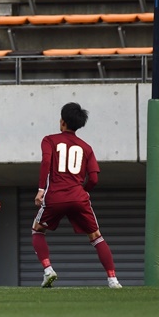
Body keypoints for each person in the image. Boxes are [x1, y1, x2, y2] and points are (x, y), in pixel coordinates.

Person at [30, 102, 122, 289]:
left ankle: (48, 270)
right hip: (78, 197)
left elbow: (46, 162)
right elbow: (94, 178)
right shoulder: (86, 147)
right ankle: (113, 280)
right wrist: (82, 191)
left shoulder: (49, 140)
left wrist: (41, 190)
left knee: (37, 229)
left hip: (55, 196)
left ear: (62, 121)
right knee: (96, 237)